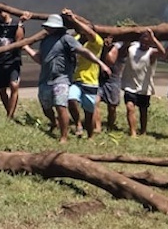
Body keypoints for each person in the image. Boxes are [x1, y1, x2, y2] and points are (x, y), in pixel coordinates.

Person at [22, 13, 109, 143]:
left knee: (61, 105)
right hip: (45, 79)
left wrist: (100, 63)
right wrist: (26, 48)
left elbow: (83, 51)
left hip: (62, 79)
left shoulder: (66, 39)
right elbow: (41, 59)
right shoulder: (45, 41)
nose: (49, 29)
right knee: (46, 107)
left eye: (52, 27)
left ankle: (64, 137)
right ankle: (54, 122)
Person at [63, 11, 105, 137]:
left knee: (89, 112)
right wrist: (70, 17)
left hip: (90, 81)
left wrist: (75, 20)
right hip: (76, 79)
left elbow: (90, 33)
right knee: (71, 99)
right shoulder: (76, 40)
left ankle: (90, 135)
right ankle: (78, 124)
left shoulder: (97, 42)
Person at [121, 31, 165, 137]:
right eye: (143, 41)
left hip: (144, 87)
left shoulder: (151, 53)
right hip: (129, 85)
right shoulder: (132, 48)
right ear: (139, 40)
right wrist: (126, 40)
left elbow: (163, 53)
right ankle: (133, 132)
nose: (144, 44)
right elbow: (122, 52)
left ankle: (143, 131)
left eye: (147, 42)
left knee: (143, 111)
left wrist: (153, 38)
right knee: (130, 108)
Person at [98, 40, 125, 132]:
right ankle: (97, 127)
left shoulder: (121, 46)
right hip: (100, 79)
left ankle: (110, 125)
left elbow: (110, 60)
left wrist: (110, 47)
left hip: (113, 79)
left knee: (112, 107)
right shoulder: (99, 45)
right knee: (95, 102)